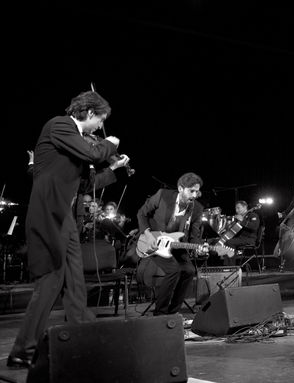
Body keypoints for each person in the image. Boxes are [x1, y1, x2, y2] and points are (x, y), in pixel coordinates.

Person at [8, 91, 128, 369]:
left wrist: (113, 165)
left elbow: (86, 185)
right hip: (49, 215)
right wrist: (109, 145)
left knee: (75, 283)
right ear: (87, 112)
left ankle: (81, 339)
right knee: (51, 281)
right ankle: (23, 351)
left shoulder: (76, 146)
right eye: (100, 119)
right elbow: (92, 151)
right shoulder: (59, 125)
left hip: (67, 220)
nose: (100, 126)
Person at [137, 172, 206, 316]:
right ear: (181, 188)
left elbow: (194, 236)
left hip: (176, 245)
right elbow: (142, 214)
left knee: (189, 271)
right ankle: (160, 313)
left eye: (197, 191)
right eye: (191, 191)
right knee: (173, 269)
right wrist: (148, 235)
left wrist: (198, 247)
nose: (194, 195)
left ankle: (173, 311)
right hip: (154, 241)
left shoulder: (197, 209)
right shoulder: (163, 195)